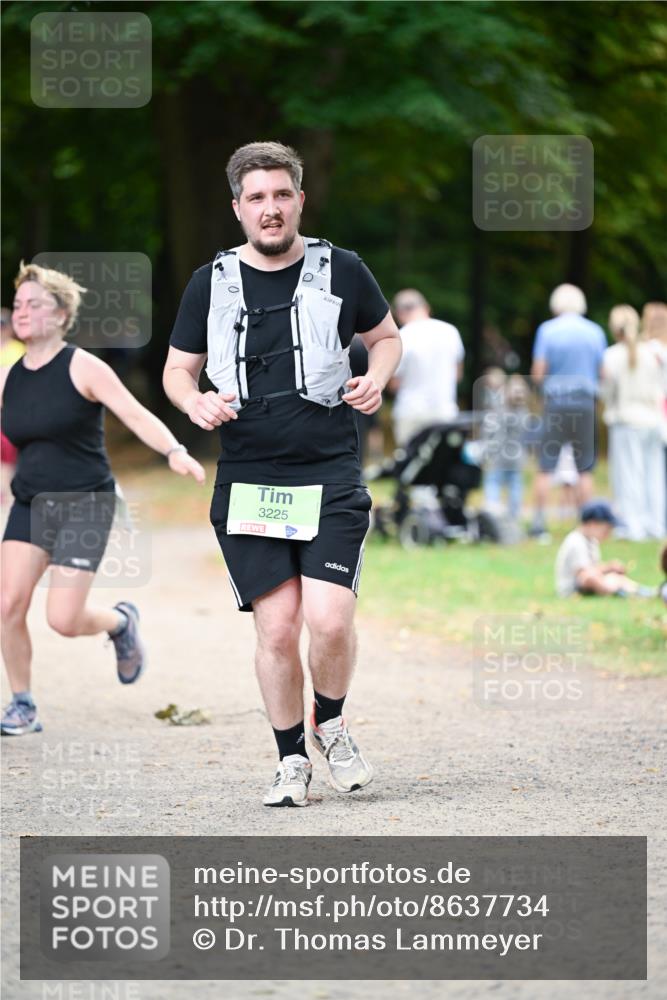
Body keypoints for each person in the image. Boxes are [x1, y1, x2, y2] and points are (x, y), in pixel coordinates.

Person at [163, 141, 401, 807]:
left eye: (281, 195)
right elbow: (177, 370)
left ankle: (332, 721)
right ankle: (290, 760)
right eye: (257, 198)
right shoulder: (209, 282)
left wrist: (375, 380)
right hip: (250, 476)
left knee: (328, 621)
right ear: (238, 208)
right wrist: (194, 401)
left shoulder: (342, 269)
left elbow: (384, 338)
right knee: (276, 627)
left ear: (300, 200)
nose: (270, 209)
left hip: (327, 470)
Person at [0, 262, 205, 736]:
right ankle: (23, 704)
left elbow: (134, 416)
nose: (23, 312)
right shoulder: (11, 377)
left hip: (84, 503)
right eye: (18, 305)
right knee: (8, 605)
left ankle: (119, 623)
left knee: (64, 620)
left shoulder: (83, 367)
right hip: (30, 503)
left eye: (35, 304)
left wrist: (174, 450)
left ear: (61, 313)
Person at [530, 283, 607, 539]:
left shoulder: (547, 331)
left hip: (556, 403)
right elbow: (603, 373)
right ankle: (589, 526)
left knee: (546, 465)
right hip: (585, 403)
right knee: (585, 467)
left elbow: (539, 372)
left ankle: (539, 525)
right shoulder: (595, 331)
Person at [601, 305, 665, 540]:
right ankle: (655, 524)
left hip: (626, 421)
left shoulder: (611, 356)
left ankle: (632, 525)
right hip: (652, 420)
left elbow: (607, 392)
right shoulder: (653, 353)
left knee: (629, 475)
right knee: (653, 475)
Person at [390, 289, 464, 447]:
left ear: (399, 313)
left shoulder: (402, 336)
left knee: (410, 467)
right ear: (426, 307)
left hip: (411, 411)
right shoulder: (451, 332)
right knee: (443, 466)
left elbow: (394, 383)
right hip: (445, 410)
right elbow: (458, 375)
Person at [555, 500, 656, 598]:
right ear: (592, 524)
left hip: (585, 581)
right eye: (607, 528)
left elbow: (593, 566)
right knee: (596, 577)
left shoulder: (591, 541)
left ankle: (641, 591)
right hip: (573, 589)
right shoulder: (576, 542)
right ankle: (620, 592)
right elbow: (583, 573)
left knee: (615, 577)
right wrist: (608, 568)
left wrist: (610, 568)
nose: (609, 532)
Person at [481, 374, 529, 523]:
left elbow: (490, 432)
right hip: (517, 457)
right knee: (515, 486)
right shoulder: (524, 413)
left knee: (493, 483)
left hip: (498, 457)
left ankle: (492, 514)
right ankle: (514, 517)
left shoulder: (499, 410)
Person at [1, 307, 25, 505]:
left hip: (11, 409)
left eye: (3, 324)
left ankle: (7, 494)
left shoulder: (19, 350)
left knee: (9, 454)